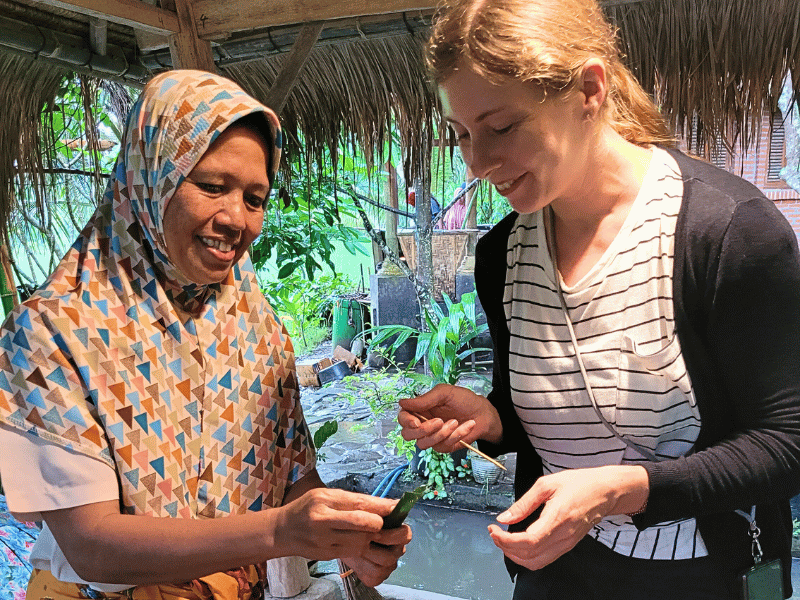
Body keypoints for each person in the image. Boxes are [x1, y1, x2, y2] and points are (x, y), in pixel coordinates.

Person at [397, 1, 800, 598]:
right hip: (554, 569)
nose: (478, 162)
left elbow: (786, 441)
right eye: (461, 135)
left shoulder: (726, 232)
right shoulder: (502, 255)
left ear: (589, 89)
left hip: (696, 574)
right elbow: (538, 413)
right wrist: (491, 418)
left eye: (502, 127)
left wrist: (621, 490)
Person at [0, 70, 410, 599]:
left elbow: (291, 477)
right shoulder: (54, 333)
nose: (237, 219)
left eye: (255, 198)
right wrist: (281, 531)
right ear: (150, 179)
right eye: (212, 186)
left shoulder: (256, 329)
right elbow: (92, 544)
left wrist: (348, 542)